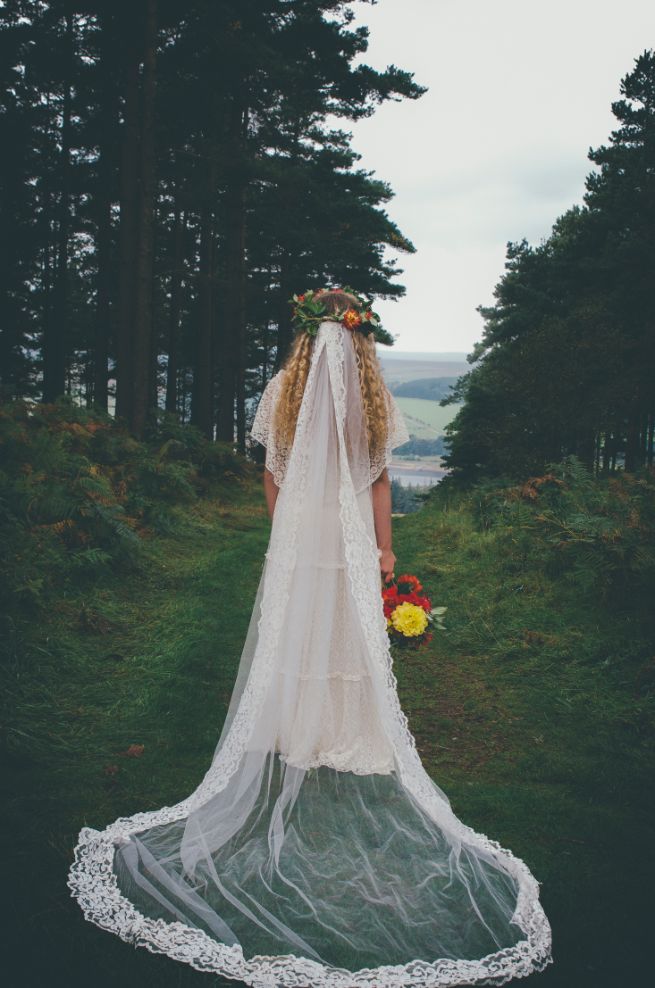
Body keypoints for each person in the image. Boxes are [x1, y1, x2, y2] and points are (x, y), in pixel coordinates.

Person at [68, 287, 553, 986]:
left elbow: (272, 474)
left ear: (303, 338)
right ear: (359, 339)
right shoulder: (373, 397)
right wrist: (384, 551)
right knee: (346, 641)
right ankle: (344, 729)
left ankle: (296, 726)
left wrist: (284, 534)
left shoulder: (280, 390)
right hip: (351, 534)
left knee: (295, 635)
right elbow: (380, 482)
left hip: (304, 537)